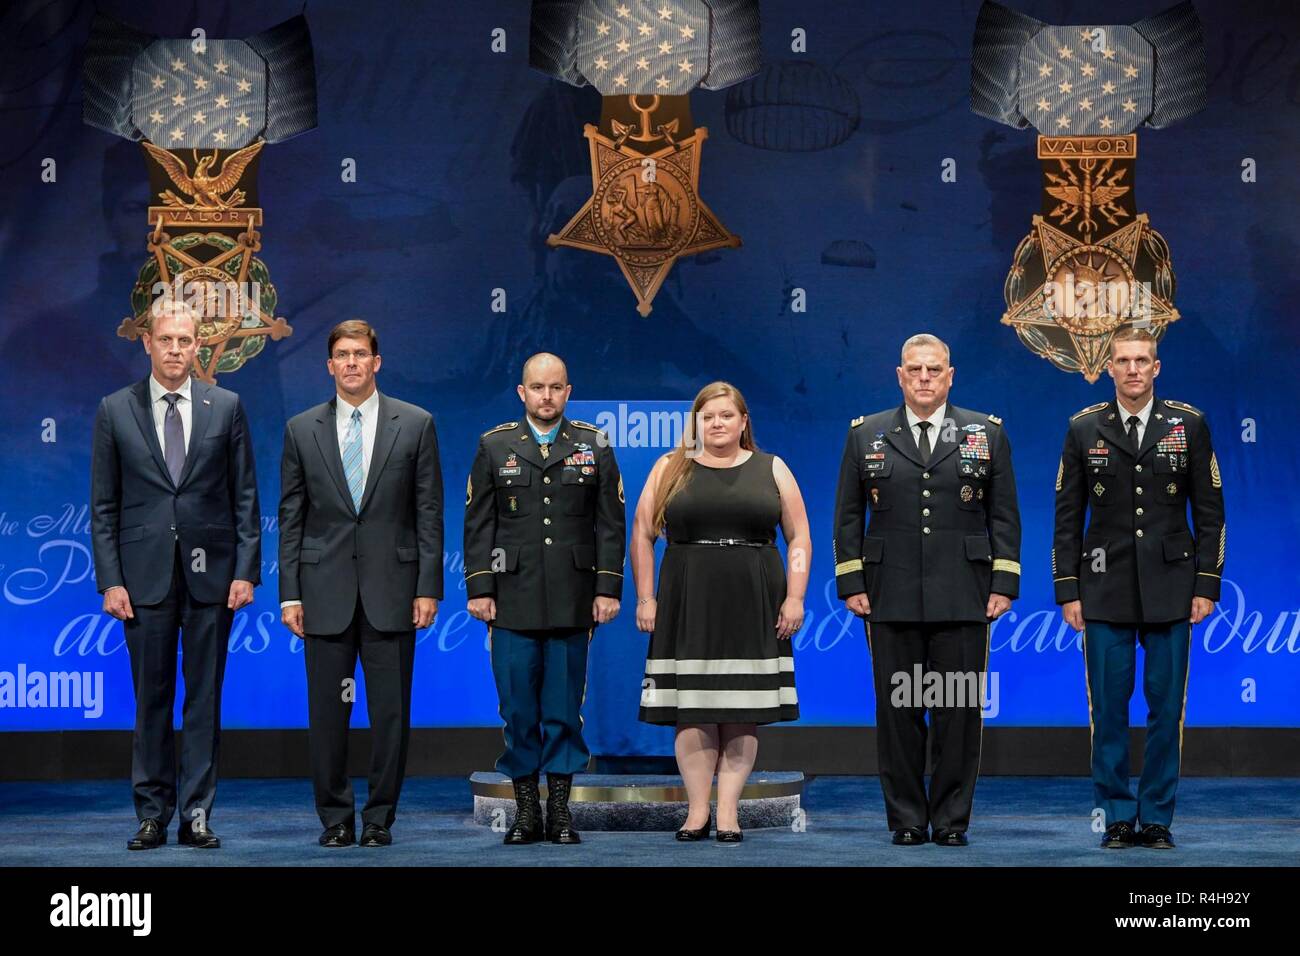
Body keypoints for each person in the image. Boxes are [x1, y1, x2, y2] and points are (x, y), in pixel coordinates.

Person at [832, 333, 1020, 847]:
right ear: (899, 375)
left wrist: (1003, 582)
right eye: (914, 370)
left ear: (950, 375)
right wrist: (851, 581)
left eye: (933, 370)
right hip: (888, 595)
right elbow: (848, 516)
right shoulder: (866, 434)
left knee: (958, 712)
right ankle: (908, 820)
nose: (923, 379)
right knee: (898, 712)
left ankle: (952, 820)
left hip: (964, 595)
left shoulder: (986, 433)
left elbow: (1003, 515)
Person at [90, 299, 260, 850]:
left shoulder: (226, 406)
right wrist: (110, 580)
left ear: (198, 345)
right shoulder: (115, 409)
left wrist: (246, 571)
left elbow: (245, 498)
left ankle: (198, 813)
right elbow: (104, 506)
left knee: (205, 698)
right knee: (152, 699)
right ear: (148, 342)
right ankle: (152, 813)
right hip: (142, 580)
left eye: (185, 341)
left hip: (212, 577)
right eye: (166, 340)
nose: (176, 350)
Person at [1053, 328, 1225, 850]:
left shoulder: (1188, 424)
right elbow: (1067, 517)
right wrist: (1068, 589)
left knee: (1165, 706)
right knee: (1107, 708)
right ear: (1109, 368)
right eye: (1123, 360)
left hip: (1173, 587)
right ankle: (1116, 815)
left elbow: (1212, 514)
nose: (1133, 369)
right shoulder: (1084, 427)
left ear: (1157, 367)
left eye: (1142, 360)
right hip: (1102, 587)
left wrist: (1206, 584)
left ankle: (1156, 818)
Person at [278, 320, 443, 848]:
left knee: (390, 714)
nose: (351, 362)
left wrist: (428, 587)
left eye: (361, 354)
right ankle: (334, 818)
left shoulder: (415, 424)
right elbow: (291, 517)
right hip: (322, 592)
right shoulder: (301, 429)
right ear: (330, 366)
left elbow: (429, 513)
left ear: (377, 362)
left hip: (392, 592)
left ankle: (378, 819)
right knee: (328, 715)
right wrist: (290, 592)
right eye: (342, 355)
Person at [632, 381, 809, 843]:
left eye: (726, 416)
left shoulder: (774, 468)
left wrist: (795, 596)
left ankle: (727, 812)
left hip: (755, 599)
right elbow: (642, 534)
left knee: (741, 709)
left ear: (743, 421)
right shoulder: (671, 467)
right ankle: (696, 812)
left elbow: (800, 538)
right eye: (708, 417)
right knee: (692, 710)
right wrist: (646, 597)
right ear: (696, 422)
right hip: (688, 598)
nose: (717, 424)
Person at [464, 353, 626, 845]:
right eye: (538, 388)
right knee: (517, 710)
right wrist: (480, 587)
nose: (547, 396)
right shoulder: (494, 444)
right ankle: (525, 813)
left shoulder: (593, 442)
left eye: (556, 387)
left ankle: (559, 812)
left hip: (574, 600)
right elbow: (478, 524)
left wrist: (607, 586)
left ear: (568, 391)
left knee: (562, 710)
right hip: (511, 599)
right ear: (522, 393)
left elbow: (611, 524)